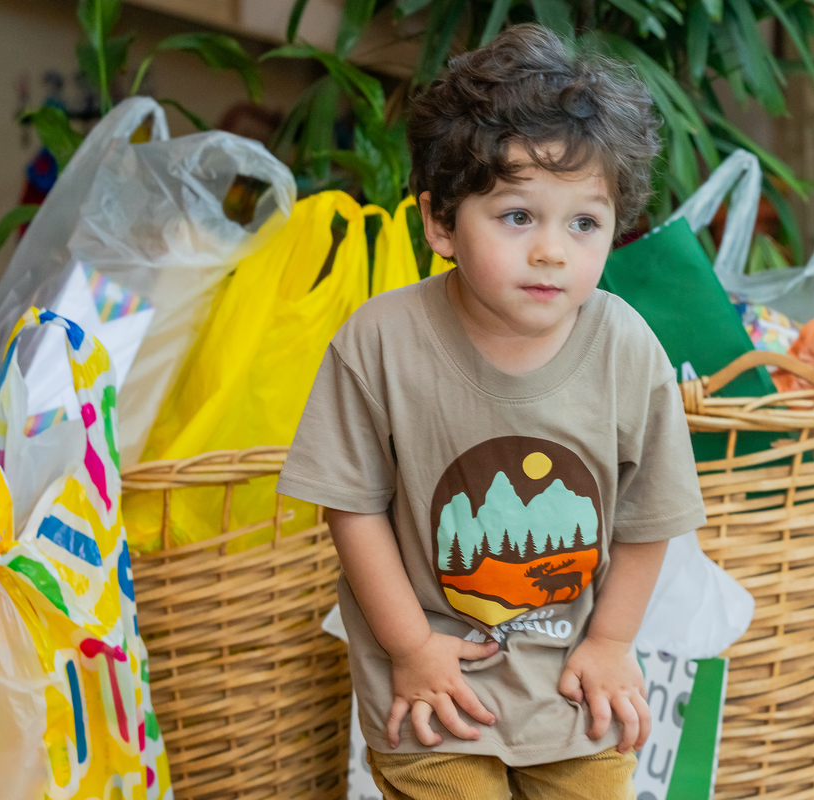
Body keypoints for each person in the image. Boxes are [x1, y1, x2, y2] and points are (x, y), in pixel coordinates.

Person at [277, 23, 707, 800]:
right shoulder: (378, 343)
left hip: (574, 687)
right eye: (518, 217)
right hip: (433, 690)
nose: (552, 251)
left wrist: (611, 644)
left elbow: (651, 517)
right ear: (440, 223)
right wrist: (411, 647)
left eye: (584, 223)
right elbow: (352, 508)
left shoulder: (626, 348)